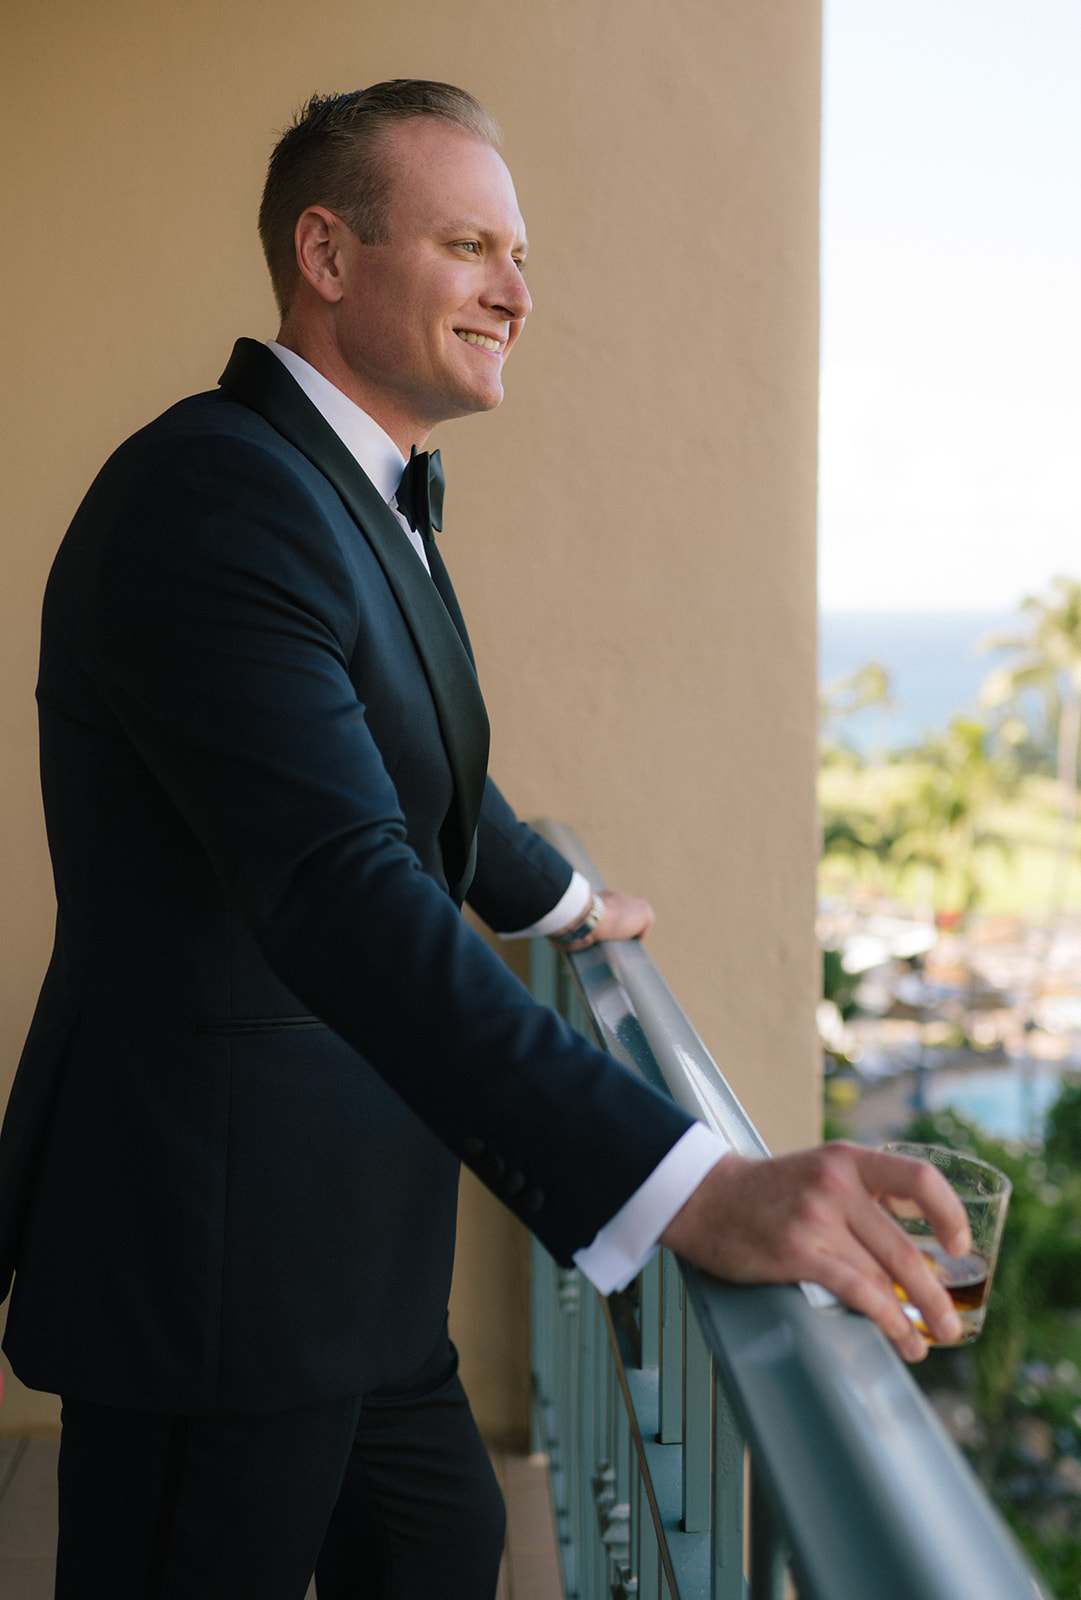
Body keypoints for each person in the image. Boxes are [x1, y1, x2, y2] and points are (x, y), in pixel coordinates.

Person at [0, 81, 969, 1599]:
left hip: (356, 1242)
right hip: (220, 1251)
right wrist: (694, 1189)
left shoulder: (345, 488)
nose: (518, 292)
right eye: (469, 246)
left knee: (445, 1547)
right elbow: (339, 883)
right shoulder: (214, 495)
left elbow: (413, 772)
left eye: (519, 255)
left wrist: (565, 900)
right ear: (327, 255)